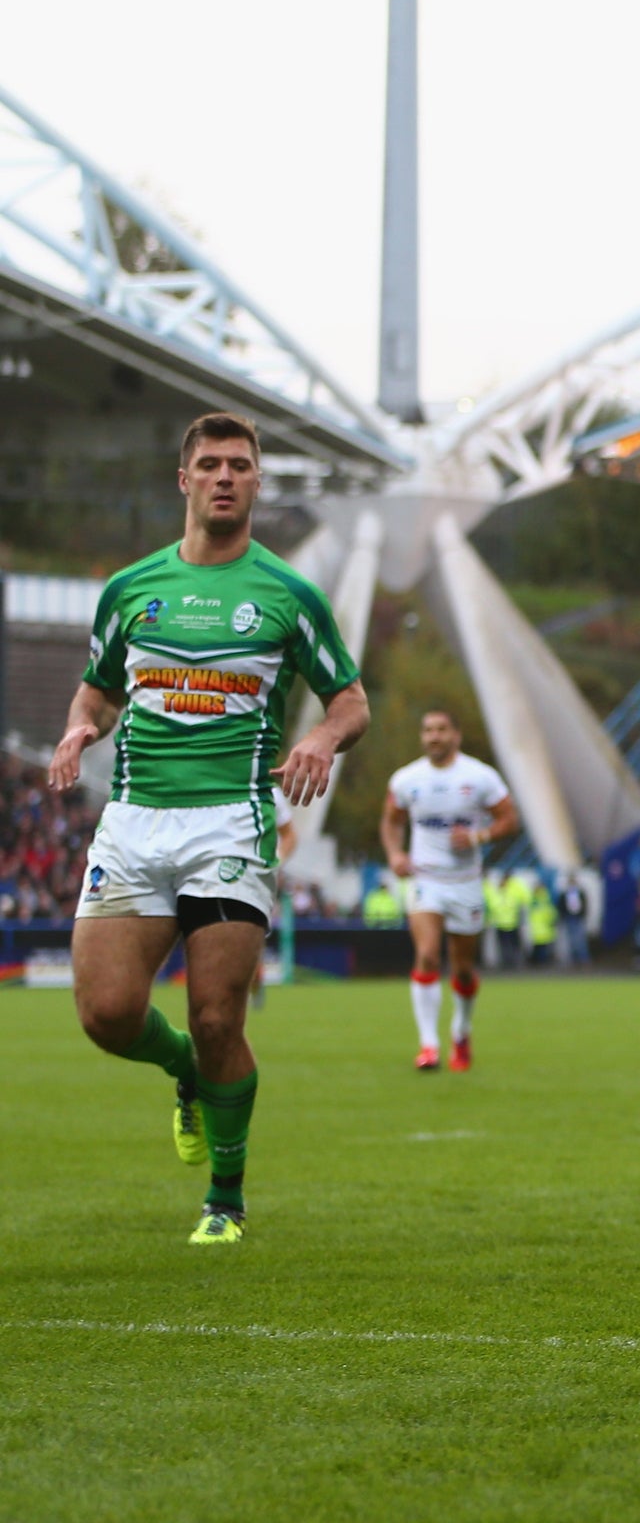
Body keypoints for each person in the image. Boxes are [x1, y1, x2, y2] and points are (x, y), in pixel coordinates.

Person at [47, 411, 369, 1246]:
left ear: (258, 483)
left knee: (221, 1016)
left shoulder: (288, 595)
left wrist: (320, 737)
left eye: (241, 465)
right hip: (134, 822)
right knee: (106, 1015)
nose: (226, 476)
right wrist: (82, 725)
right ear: (184, 481)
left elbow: (350, 700)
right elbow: (97, 688)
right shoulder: (131, 590)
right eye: (211, 464)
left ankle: (224, 1199)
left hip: (231, 821)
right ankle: (185, 1072)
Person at [381, 709, 519, 1072]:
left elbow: (509, 819)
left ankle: (462, 1029)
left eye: (441, 729)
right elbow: (391, 821)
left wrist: (477, 836)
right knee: (426, 955)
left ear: (456, 734)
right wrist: (396, 854)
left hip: (466, 883)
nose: (433, 737)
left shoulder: (480, 777)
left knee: (462, 969)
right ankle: (429, 1046)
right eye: (427, 730)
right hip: (426, 880)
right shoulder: (407, 779)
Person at [249, 788, 298, 1010]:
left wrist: (277, 861)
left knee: (250, 937)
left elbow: (289, 835)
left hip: (256, 879)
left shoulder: (270, 792)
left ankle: (253, 981)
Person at [557, 873, 591, 966]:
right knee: (572, 940)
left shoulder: (580, 892)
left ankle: (583, 959)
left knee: (580, 940)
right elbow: (561, 906)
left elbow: (584, 905)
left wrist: (583, 915)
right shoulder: (565, 893)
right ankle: (574, 960)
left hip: (578, 917)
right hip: (569, 918)